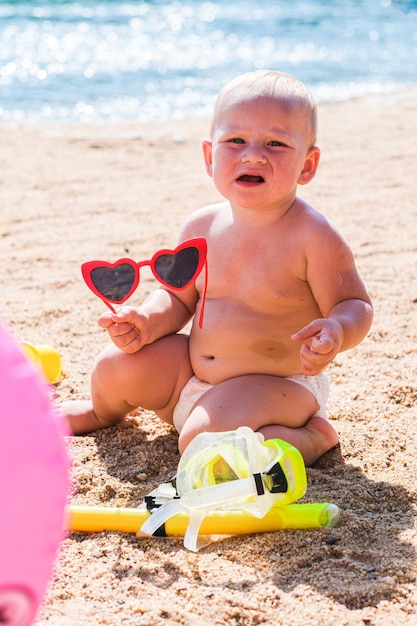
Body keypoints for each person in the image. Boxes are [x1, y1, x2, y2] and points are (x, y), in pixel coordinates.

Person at [61, 70, 373, 466]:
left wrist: (338, 328)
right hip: (191, 378)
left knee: (202, 440)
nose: (253, 154)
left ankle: (311, 437)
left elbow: (355, 303)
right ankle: (102, 412)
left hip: (277, 386)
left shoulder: (313, 236)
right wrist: (147, 321)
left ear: (307, 165)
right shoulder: (200, 227)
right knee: (114, 366)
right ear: (210, 157)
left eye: (275, 143)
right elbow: (176, 297)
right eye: (236, 140)